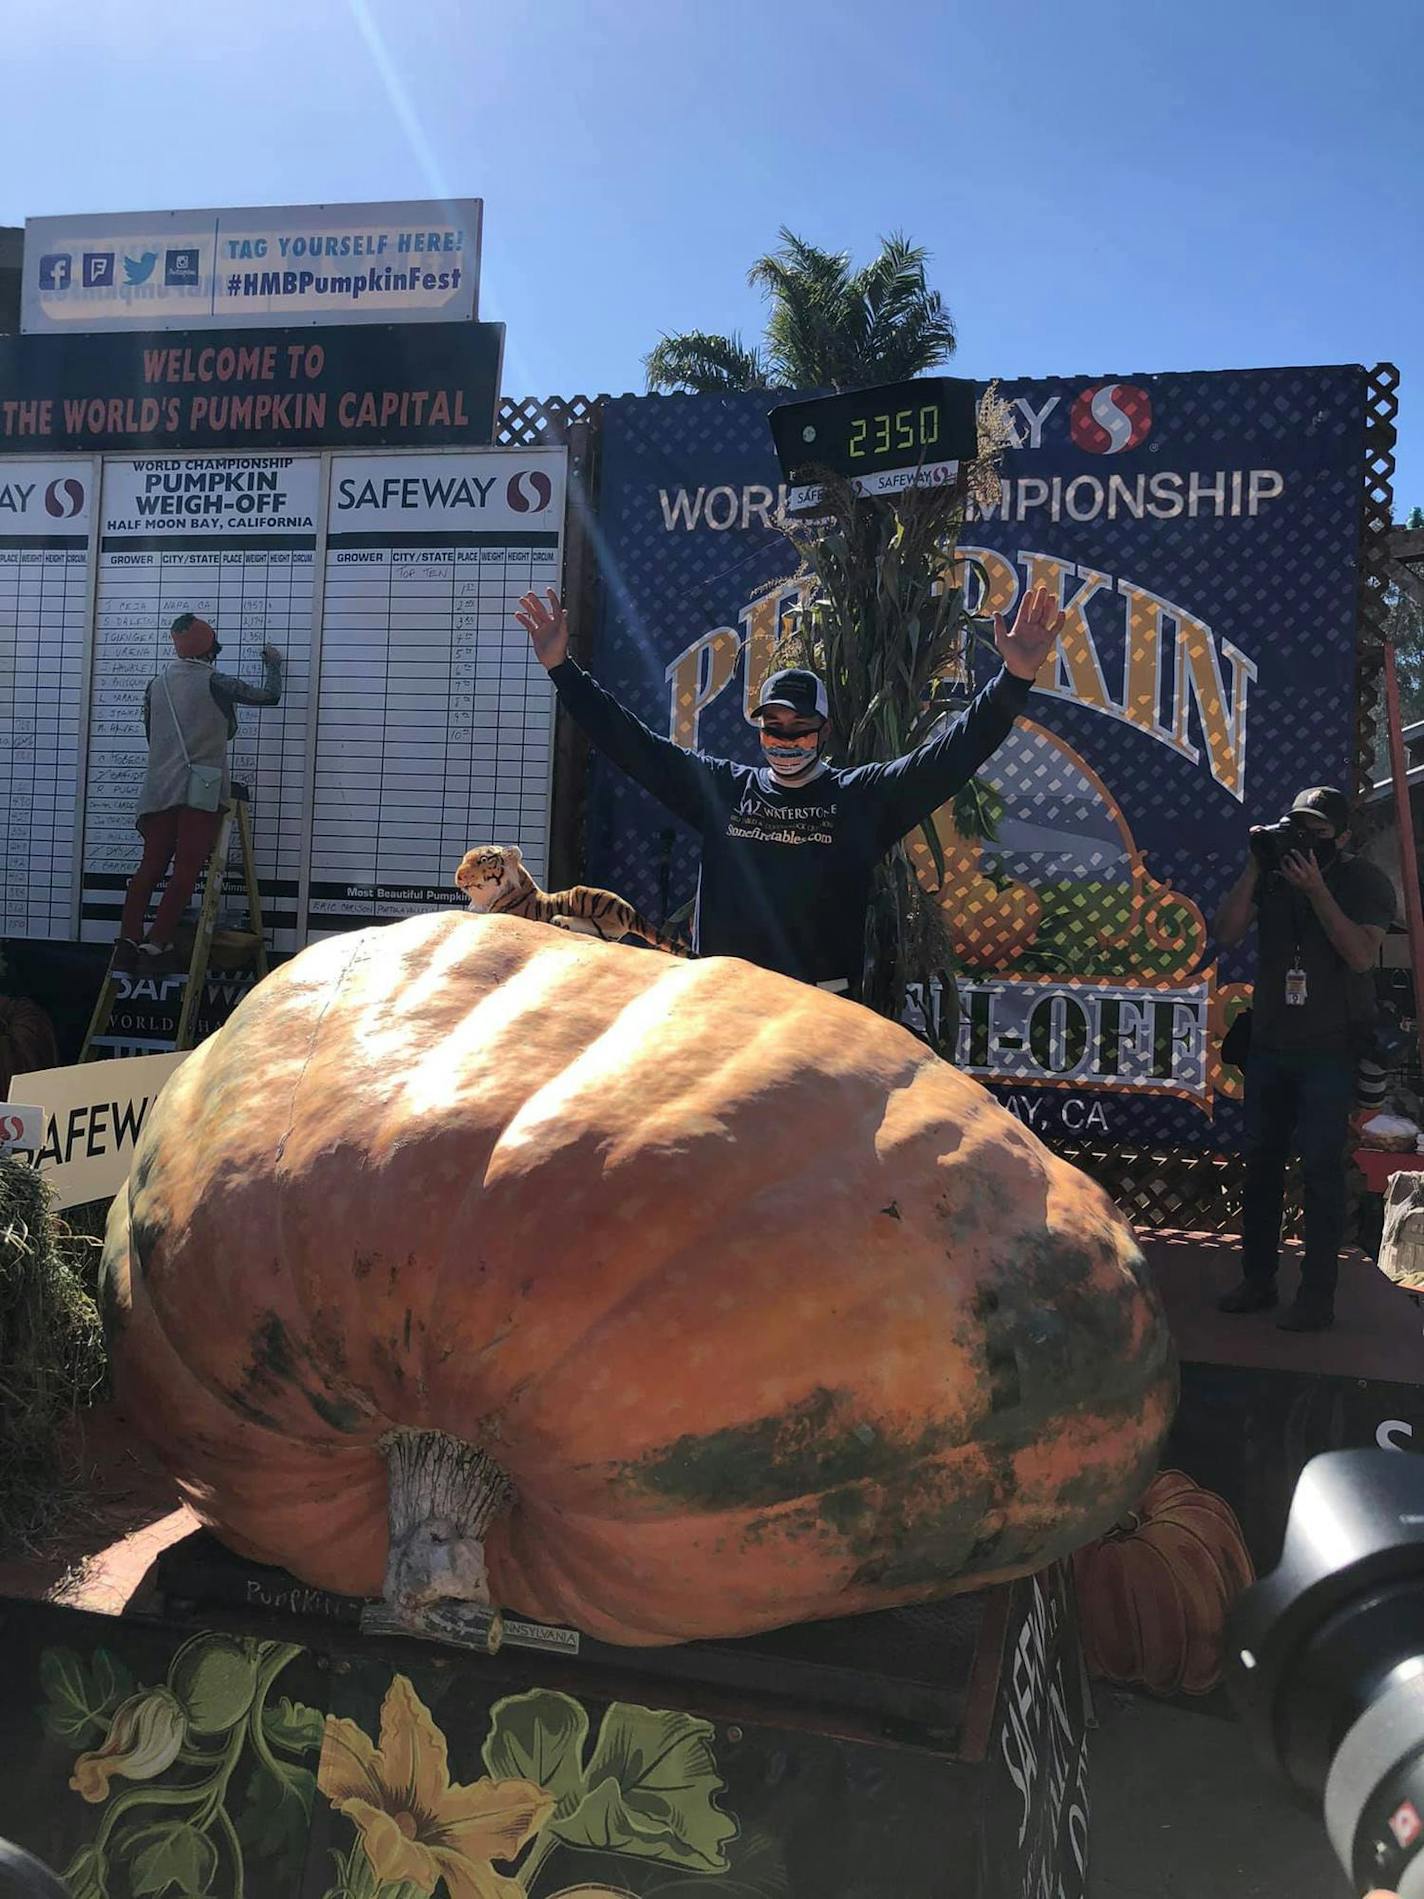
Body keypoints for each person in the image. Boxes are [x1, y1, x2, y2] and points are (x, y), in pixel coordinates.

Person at [516, 584, 1063, 992]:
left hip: (817, 1011)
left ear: (823, 730)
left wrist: (1013, 679)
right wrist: (561, 668)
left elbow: (951, 756)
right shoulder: (723, 791)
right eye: (772, 727)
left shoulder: (860, 799)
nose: (784, 739)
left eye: (798, 727)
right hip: (722, 1001)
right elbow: (631, 744)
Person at [1214, 787, 1396, 1332]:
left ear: (1339, 837)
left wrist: (1316, 891)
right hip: (1270, 1045)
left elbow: (1362, 955)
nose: (1302, 839)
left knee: (1321, 1172)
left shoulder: (1361, 881)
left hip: (1329, 1051)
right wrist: (1255, 866)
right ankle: (1258, 1279)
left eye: (1314, 831)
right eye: (1295, 826)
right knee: (1262, 1167)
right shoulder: (1272, 874)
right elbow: (1224, 933)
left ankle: (1317, 1296)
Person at [112, 614, 283, 976]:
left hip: (159, 788)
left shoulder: (155, 685)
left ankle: (128, 939)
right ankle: (156, 943)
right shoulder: (216, 682)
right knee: (186, 869)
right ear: (210, 650)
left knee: (150, 866)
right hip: (199, 791)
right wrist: (274, 665)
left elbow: (150, 734)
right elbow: (268, 697)